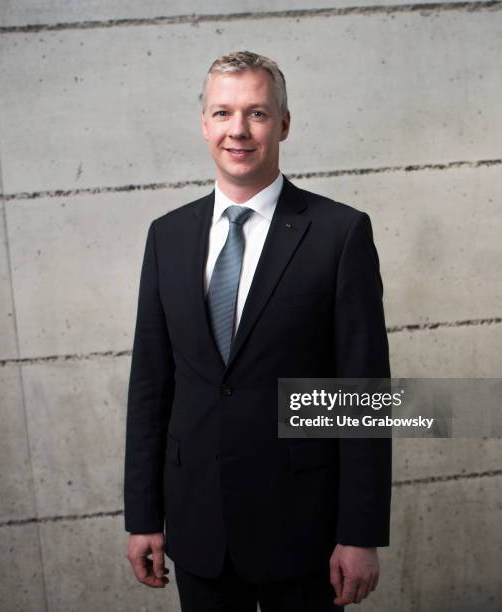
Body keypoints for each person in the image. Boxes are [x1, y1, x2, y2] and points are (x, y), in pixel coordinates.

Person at [124, 50, 391, 611]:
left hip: (305, 532)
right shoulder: (166, 236)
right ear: (204, 123)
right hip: (197, 528)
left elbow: (362, 394)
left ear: (284, 124)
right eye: (223, 113)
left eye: (257, 113)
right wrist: (143, 515)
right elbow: (151, 385)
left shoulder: (339, 234)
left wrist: (359, 531)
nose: (238, 130)